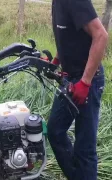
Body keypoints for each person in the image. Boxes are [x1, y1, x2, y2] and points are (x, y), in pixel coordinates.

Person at [46, 0, 108, 179]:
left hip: (88, 79)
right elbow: (68, 35)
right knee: (55, 131)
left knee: (84, 149)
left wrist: (85, 82)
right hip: (70, 77)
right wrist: (56, 61)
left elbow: (101, 35)